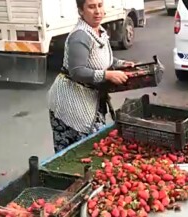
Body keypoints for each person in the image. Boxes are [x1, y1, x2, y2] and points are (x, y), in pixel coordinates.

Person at [47, 0, 135, 153]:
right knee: (76, 152)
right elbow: (77, 71)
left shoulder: (98, 31)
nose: (98, 11)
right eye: (91, 7)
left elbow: (99, 58)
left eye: (100, 5)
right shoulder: (80, 36)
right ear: (81, 11)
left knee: (92, 148)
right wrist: (107, 74)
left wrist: (120, 63)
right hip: (70, 103)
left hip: (89, 99)